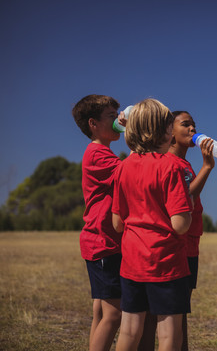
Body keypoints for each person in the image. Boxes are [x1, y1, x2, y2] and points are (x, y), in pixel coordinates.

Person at [111, 98, 193, 351]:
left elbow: (117, 223)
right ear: (166, 131)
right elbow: (180, 225)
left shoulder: (123, 168)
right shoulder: (172, 166)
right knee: (168, 334)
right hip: (166, 263)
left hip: (131, 262)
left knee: (129, 330)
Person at [137, 110, 216, 351]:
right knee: (165, 314)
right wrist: (207, 166)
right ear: (169, 131)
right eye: (186, 124)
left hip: (190, 243)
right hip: (175, 247)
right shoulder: (169, 163)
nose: (193, 129)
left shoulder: (183, 164)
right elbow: (185, 199)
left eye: (194, 125)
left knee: (177, 311)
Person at [72, 94, 125, 351]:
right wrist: (137, 134)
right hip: (103, 242)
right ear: (93, 124)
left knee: (101, 313)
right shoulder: (98, 154)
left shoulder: (101, 152)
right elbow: (129, 175)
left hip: (99, 241)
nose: (118, 122)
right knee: (114, 315)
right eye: (112, 118)